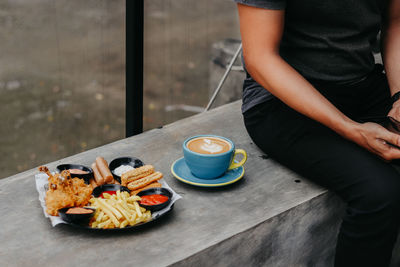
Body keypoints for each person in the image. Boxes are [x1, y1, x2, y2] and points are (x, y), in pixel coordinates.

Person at [234, 0, 400, 266]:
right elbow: (260, 58)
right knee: (379, 192)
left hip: (362, 86)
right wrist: (350, 128)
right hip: (282, 102)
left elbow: (395, 22)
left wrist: (399, 97)